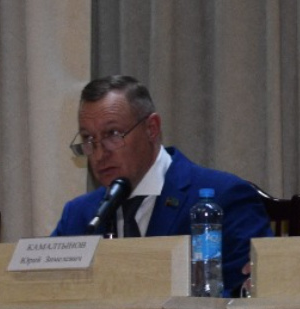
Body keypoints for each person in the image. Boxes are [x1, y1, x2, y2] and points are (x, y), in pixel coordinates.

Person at [50, 75, 271, 296]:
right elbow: (48, 292)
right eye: (88, 139)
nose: (99, 155)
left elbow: (250, 293)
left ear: (151, 128)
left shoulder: (225, 197)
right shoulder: (80, 216)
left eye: (113, 134)